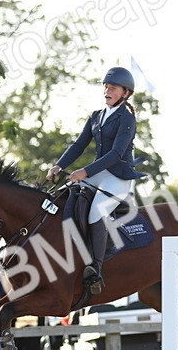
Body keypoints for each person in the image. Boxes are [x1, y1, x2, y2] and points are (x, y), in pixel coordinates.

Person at [47, 66, 145, 295]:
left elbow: (116, 154)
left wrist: (85, 172)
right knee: (65, 195)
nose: (107, 91)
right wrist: (59, 165)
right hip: (99, 173)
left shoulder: (127, 118)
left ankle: (96, 269)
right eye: (106, 87)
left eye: (113, 88)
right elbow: (79, 145)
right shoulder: (96, 116)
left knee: (95, 212)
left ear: (125, 93)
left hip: (118, 175)